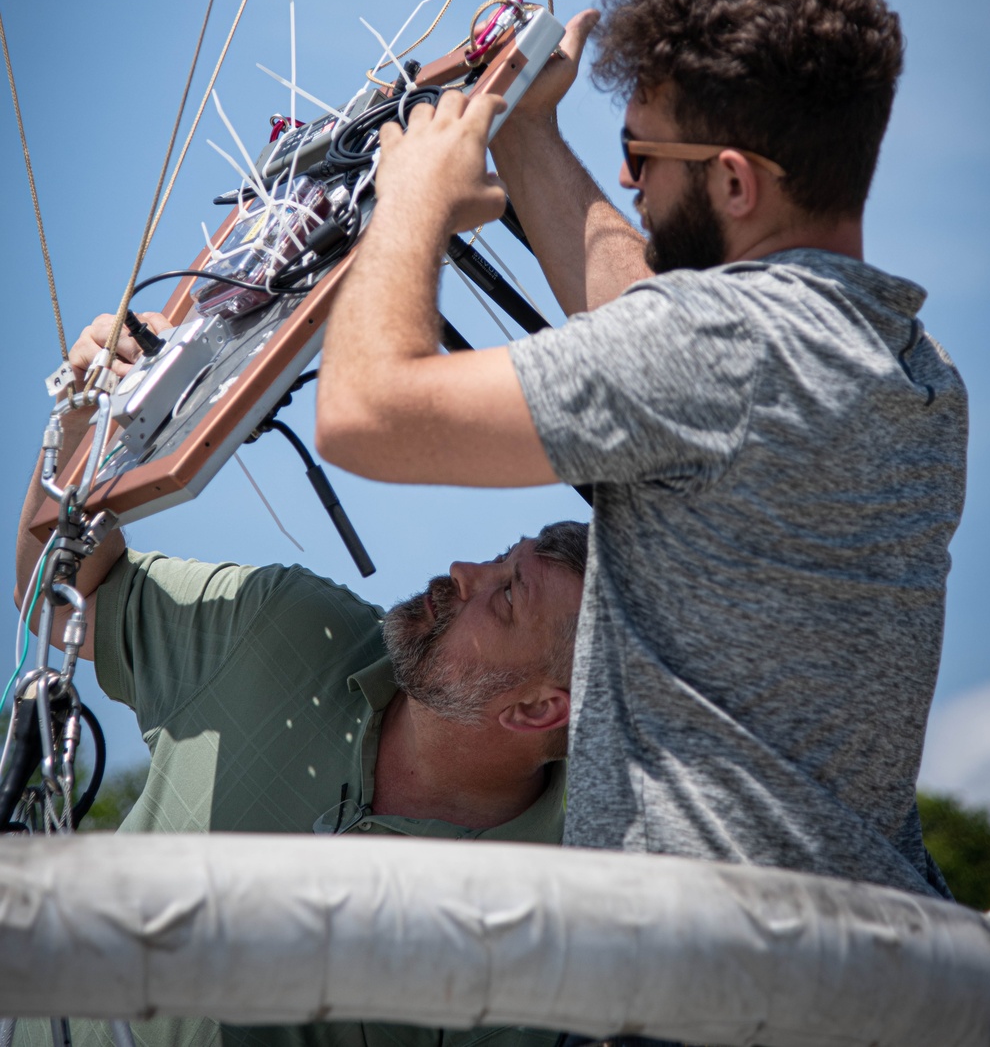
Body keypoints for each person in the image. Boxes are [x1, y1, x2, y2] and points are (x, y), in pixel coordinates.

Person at [316, 0, 968, 899]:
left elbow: (366, 411)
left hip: (708, 981)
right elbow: (652, 328)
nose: (627, 178)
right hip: (876, 962)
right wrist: (529, 132)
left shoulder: (716, 349)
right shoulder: (912, 368)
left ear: (737, 181)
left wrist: (412, 197)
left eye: (641, 152)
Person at [13, 312, 586, 1047]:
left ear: (540, 708)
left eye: (505, 597)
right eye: (500, 558)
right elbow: (60, 595)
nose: (463, 573)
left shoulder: (548, 930)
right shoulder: (286, 624)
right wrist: (90, 410)